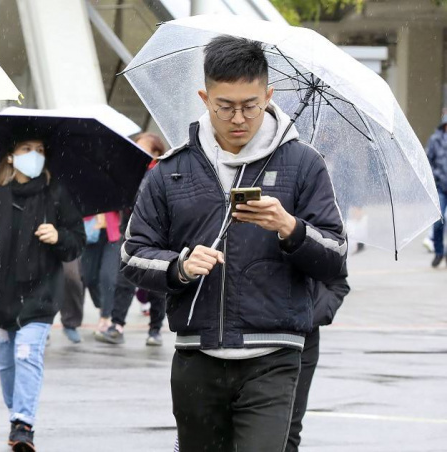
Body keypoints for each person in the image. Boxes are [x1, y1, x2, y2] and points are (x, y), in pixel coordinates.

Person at [121, 35, 347, 451]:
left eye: (250, 105)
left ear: (269, 95)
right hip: (196, 353)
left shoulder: (303, 163)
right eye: (225, 106)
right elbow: (134, 255)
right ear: (205, 98)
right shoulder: (172, 169)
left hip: (274, 354)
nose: (238, 117)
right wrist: (181, 266)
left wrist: (290, 227)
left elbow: (335, 257)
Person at [0, 136, 85, 451]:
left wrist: (58, 236)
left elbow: (77, 241)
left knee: (27, 354)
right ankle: (17, 416)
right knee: (6, 361)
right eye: (27, 149)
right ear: (11, 157)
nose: (34, 156)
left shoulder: (56, 193)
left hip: (40, 293)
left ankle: (23, 423)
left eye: (40, 151)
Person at [98, 132, 168, 346]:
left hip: (159, 237)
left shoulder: (164, 172)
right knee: (124, 280)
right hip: (131, 233)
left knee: (157, 284)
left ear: (156, 152)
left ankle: (155, 329)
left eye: (144, 148)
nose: (138, 152)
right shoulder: (130, 173)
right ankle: (117, 325)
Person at [287, 266, 350, 451]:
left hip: (302, 336)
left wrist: (315, 311)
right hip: (241, 336)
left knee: (289, 427)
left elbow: (337, 280)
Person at [81, 211, 122, 339]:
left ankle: (105, 317)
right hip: (91, 231)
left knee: (108, 277)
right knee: (88, 278)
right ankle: (103, 307)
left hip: (112, 235)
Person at [426, 115, 447, 268]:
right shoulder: (435, 140)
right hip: (441, 187)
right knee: (438, 222)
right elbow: (428, 162)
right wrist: (435, 177)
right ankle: (439, 251)